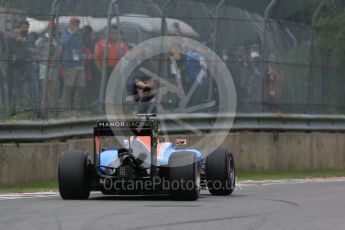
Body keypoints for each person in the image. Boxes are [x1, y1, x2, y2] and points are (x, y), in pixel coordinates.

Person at [59, 17, 85, 110]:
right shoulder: (65, 34)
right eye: (74, 23)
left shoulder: (78, 35)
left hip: (79, 63)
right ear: (69, 24)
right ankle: (63, 107)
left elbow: (80, 47)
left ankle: (76, 106)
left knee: (81, 86)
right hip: (69, 64)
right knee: (68, 86)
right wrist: (72, 34)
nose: (76, 25)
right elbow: (63, 44)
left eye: (77, 24)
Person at [35, 21, 59, 111]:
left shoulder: (56, 40)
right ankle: (43, 109)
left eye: (54, 29)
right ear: (48, 29)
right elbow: (36, 53)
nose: (53, 31)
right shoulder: (41, 40)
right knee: (44, 89)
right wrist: (43, 58)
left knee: (52, 90)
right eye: (51, 29)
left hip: (53, 68)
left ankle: (52, 110)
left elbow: (58, 54)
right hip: (43, 67)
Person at [81, 25, 98, 107]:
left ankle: (87, 103)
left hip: (87, 66)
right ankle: (87, 104)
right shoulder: (88, 41)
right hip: (87, 66)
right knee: (87, 84)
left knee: (86, 84)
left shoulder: (84, 40)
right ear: (90, 33)